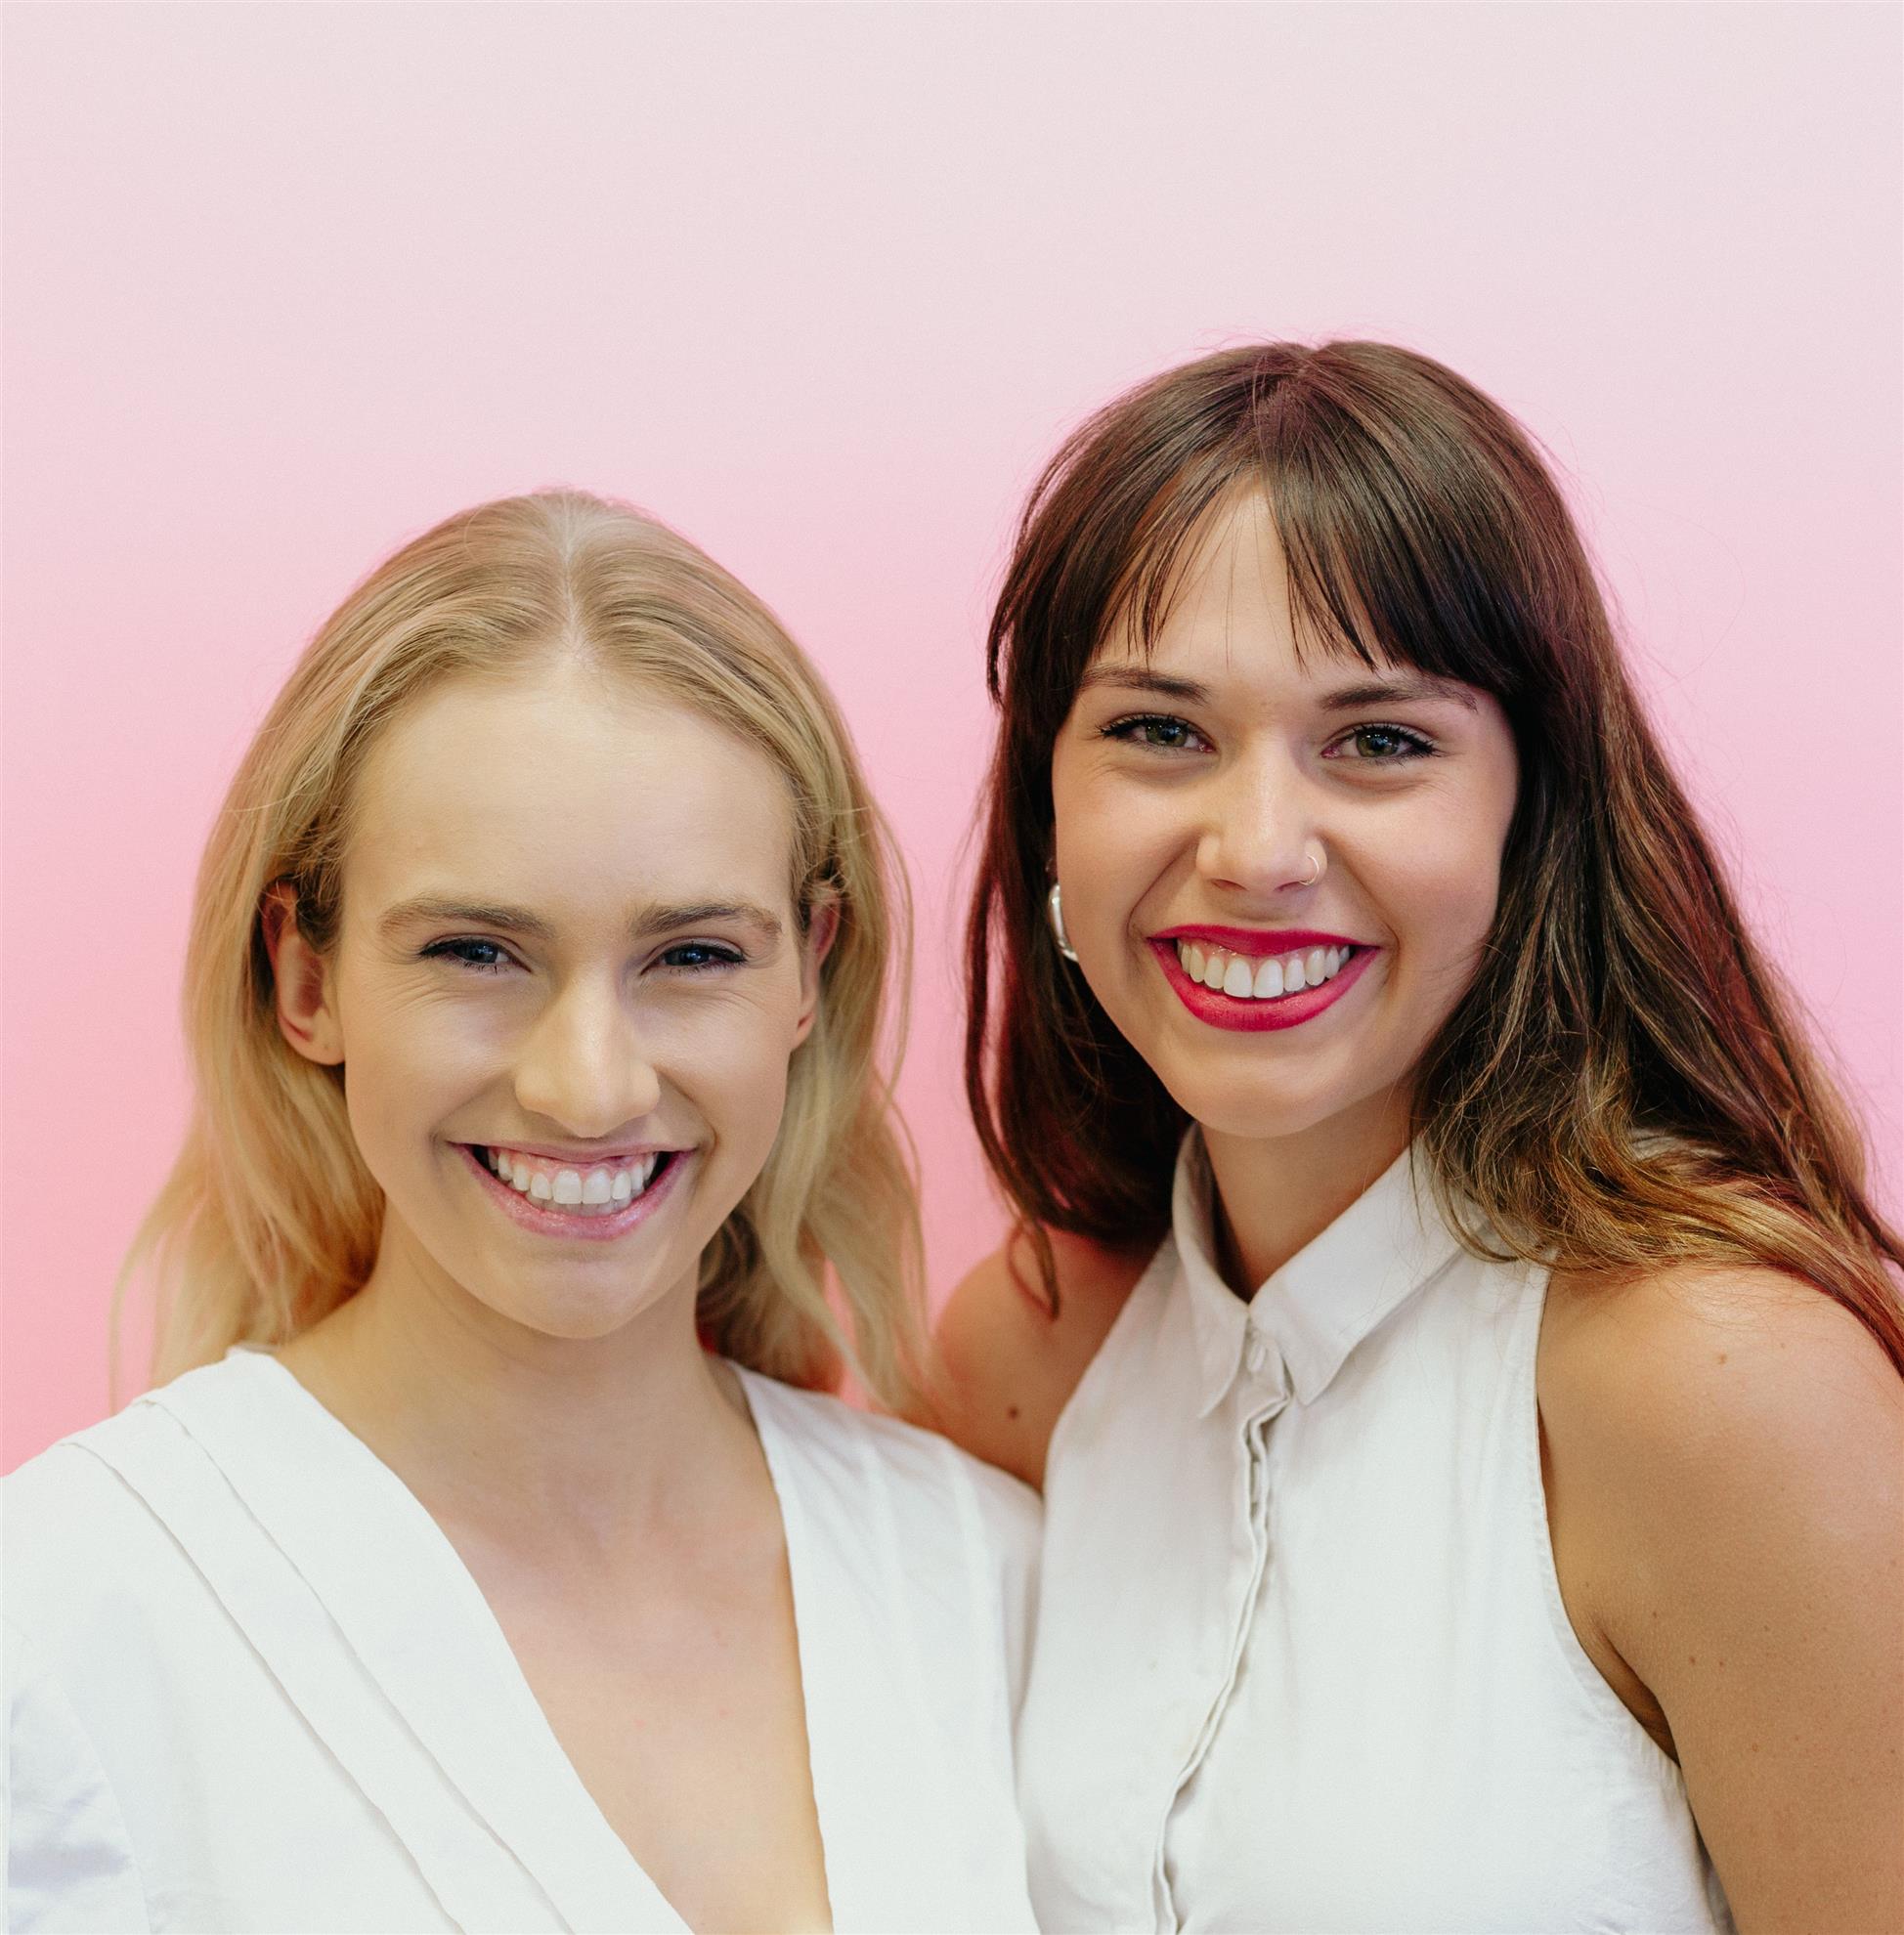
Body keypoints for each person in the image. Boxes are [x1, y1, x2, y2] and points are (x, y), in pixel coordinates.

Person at [933, 342, 1904, 1933]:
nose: (1256, 851)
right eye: (1159, 732)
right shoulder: (1026, 1357)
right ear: (1050, 807)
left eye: (1380, 740)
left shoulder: (1728, 1393)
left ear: (1534, 818)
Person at [3, 493, 1038, 1934]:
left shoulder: (990, 1582)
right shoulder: (66, 1620)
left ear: (809, 971)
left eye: (692, 955)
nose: (590, 1087)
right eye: (478, 952)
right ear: (305, 981)